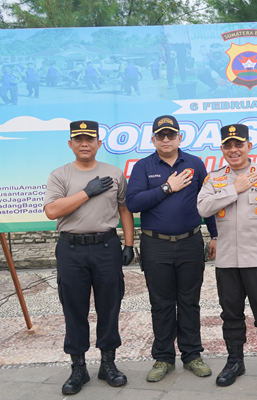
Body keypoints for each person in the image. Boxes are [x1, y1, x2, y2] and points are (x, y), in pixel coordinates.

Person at [43, 120, 135, 395]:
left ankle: (108, 364)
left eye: (90, 139)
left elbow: (124, 209)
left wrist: (129, 244)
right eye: (79, 139)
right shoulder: (60, 175)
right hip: (71, 249)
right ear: (71, 144)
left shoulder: (114, 173)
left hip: (106, 247)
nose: (85, 143)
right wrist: (86, 192)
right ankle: (78, 368)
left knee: (110, 306)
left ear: (98, 143)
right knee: (74, 308)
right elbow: (52, 211)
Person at [197, 124, 257, 389]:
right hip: (226, 261)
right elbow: (202, 207)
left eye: (239, 144)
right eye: (228, 145)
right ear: (222, 149)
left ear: (249, 146)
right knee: (230, 314)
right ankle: (234, 361)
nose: (233, 149)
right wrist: (233, 189)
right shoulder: (214, 179)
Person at [126, 115, 218, 383]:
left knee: (189, 302)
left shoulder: (195, 164)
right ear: (153, 139)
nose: (166, 139)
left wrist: (214, 234)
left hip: (190, 242)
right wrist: (167, 187)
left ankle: (192, 355)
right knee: (162, 303)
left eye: (171, 135)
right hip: (156, 245)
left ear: (180, 137)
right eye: (160, 135)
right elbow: (133, 203)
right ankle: (163, 358)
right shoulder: (143, 167)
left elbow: (208, 202)